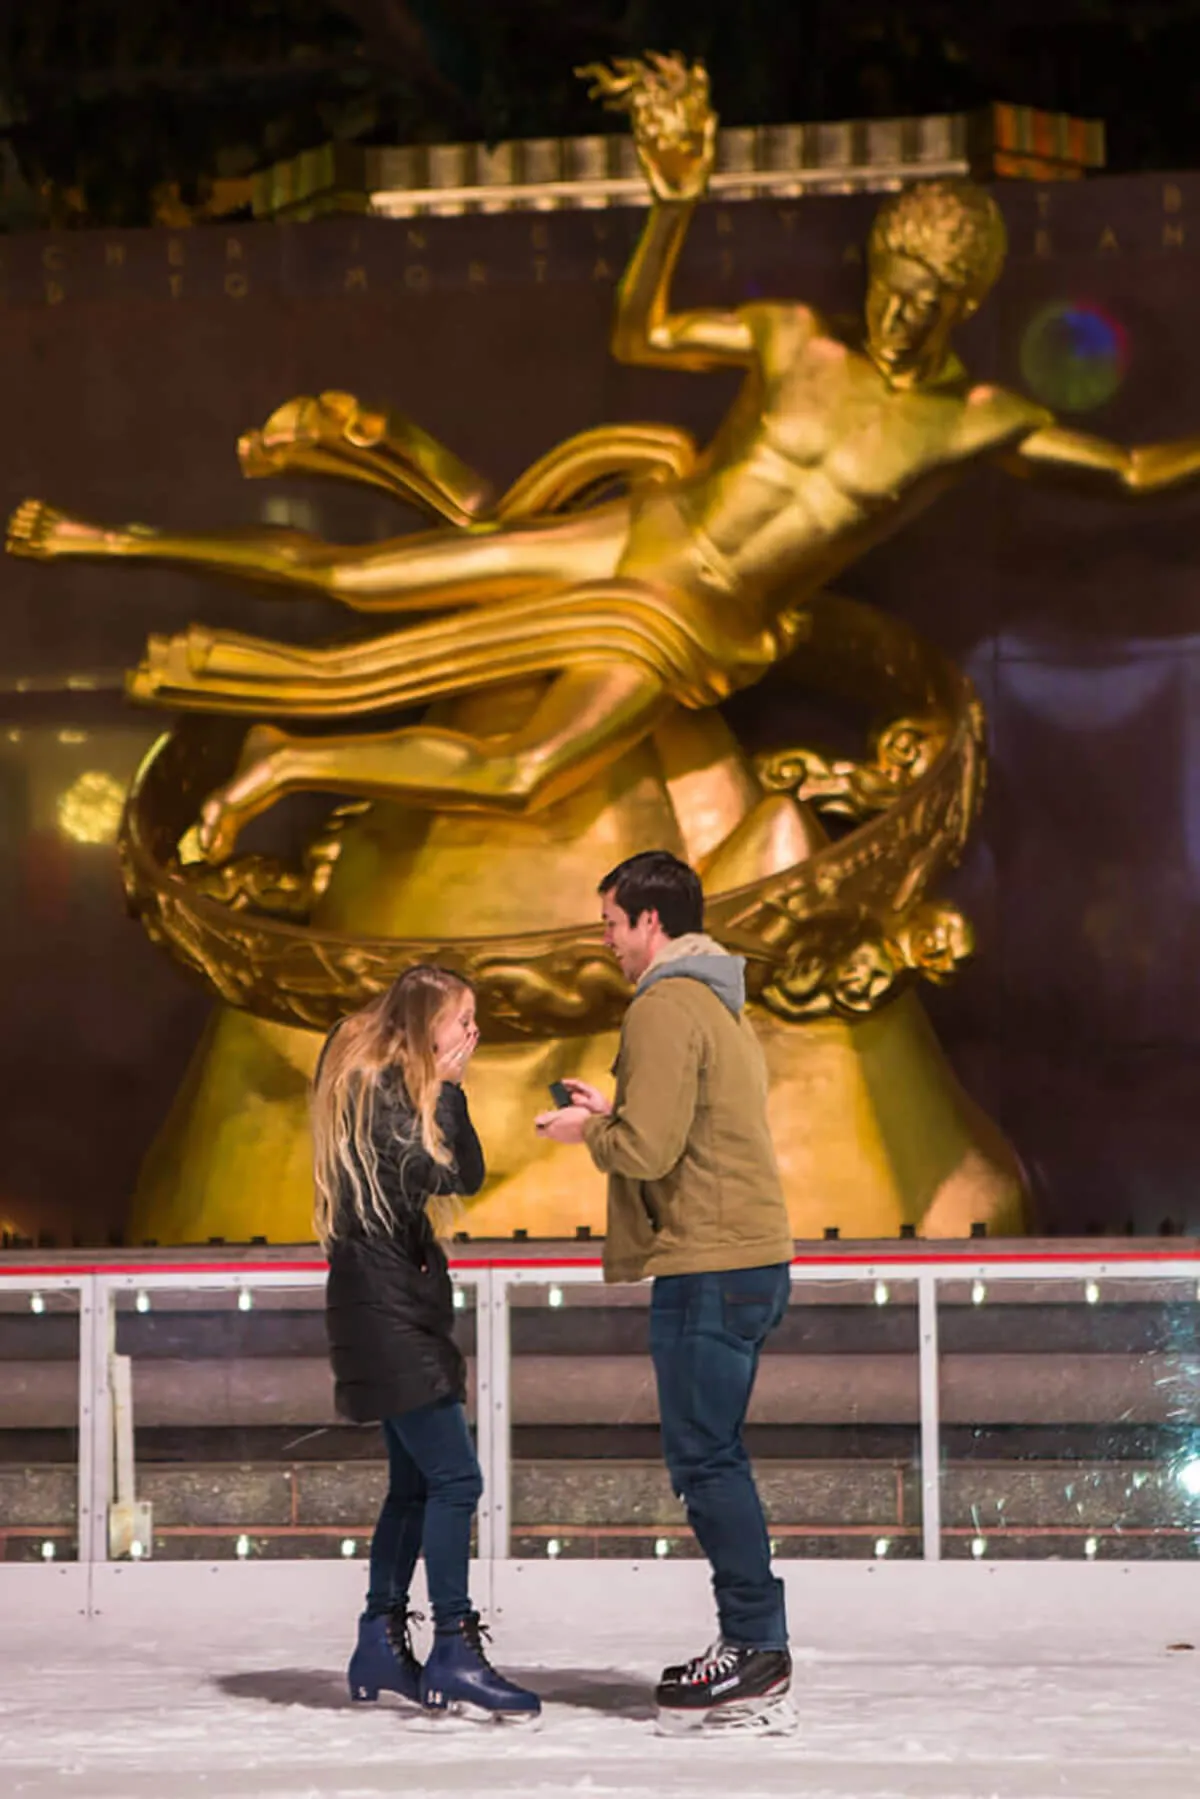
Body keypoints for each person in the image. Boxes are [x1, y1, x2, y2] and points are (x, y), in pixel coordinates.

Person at [536, 850, 795, 1734]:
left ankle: (756, 1645)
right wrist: (615, 1108)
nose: (606, 940)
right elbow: (681, 1122)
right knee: (712, 1453)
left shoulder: (662, 1003)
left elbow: (645, 1149)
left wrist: (589, 1129)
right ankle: (754, 1639)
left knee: (706, 1458)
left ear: (651, 921)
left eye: (611, 922)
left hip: (709, 1262)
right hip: (743, 1258)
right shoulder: (714, 1001)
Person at [312, 965, 540, 1725]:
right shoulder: (371, 1083)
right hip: (384, 1310)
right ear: (423, 1020)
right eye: (461, 1017)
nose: (471, 1032)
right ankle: (451, 1645)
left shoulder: (400, 1085)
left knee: (415, 1485)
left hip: (392, 1302)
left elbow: (464, 1172)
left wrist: (451, 1083)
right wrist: (443, 1085)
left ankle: (380, 1640)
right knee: (456, 1479)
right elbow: (432, 1171)